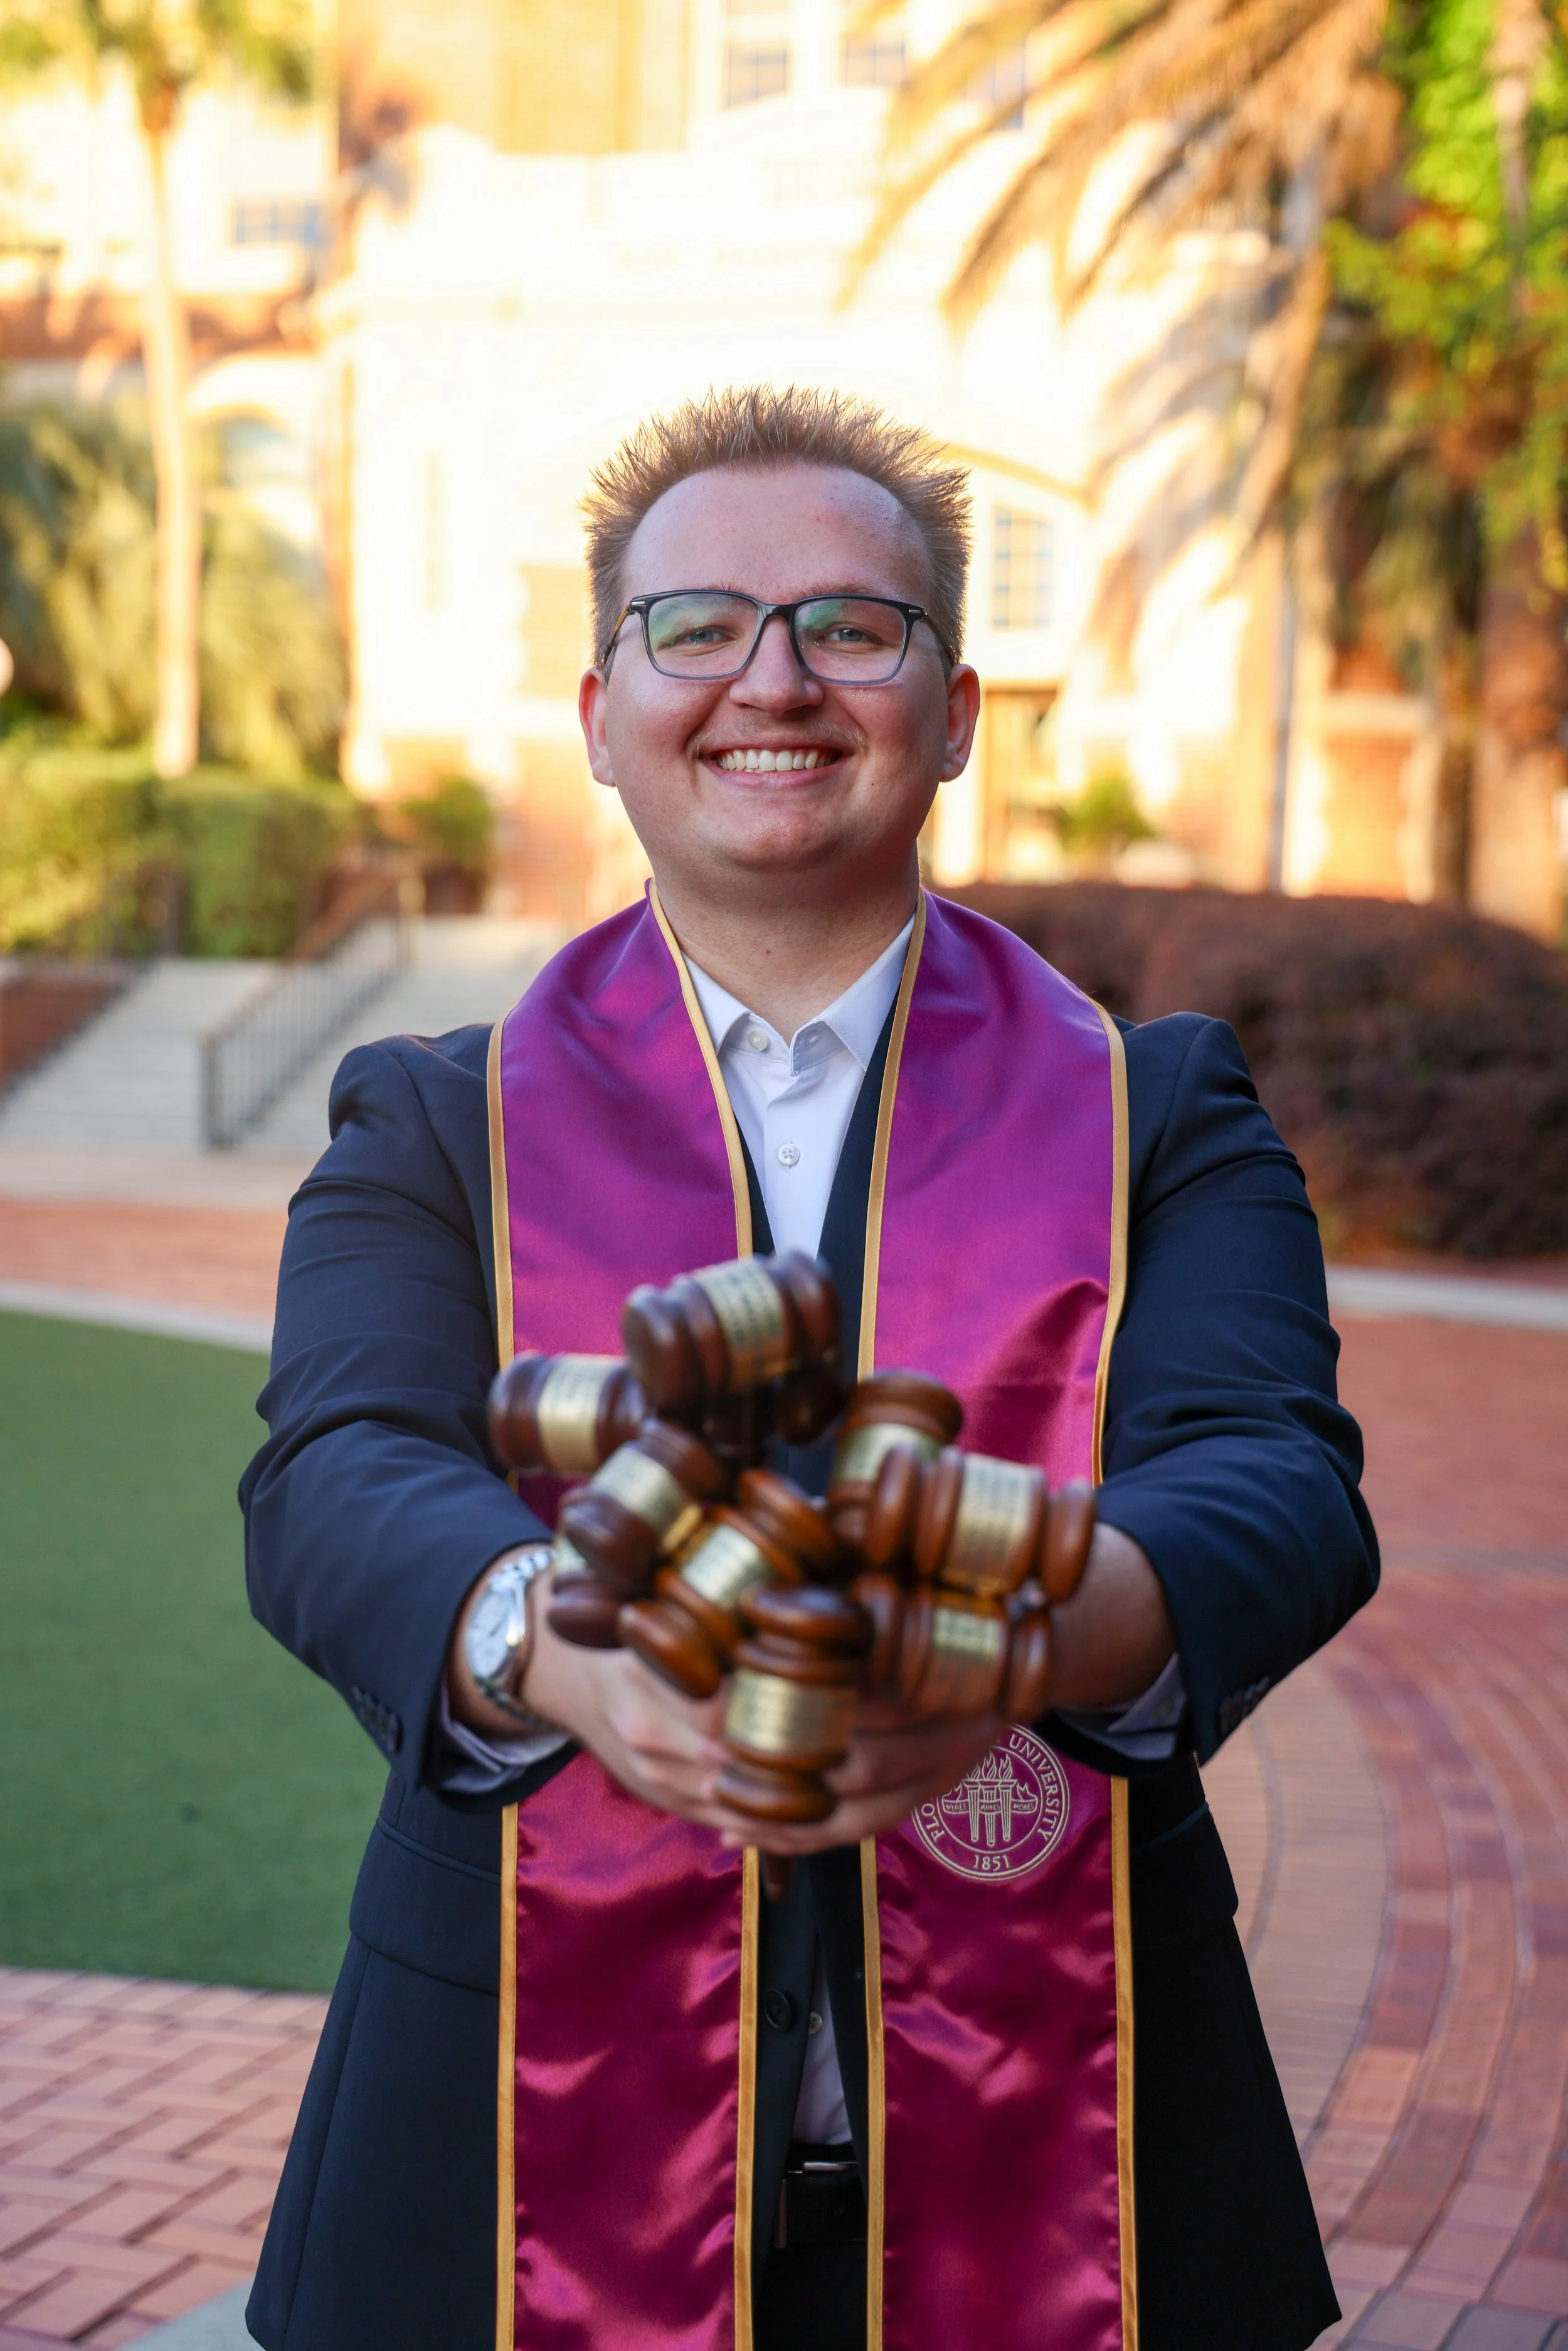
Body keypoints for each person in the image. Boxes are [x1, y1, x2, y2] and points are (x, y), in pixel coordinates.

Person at [240, 385, 1377, 2351]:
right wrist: (558, 1650)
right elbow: (336, 1471)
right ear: (600, 713)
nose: (772, 678)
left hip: (1090, 2126)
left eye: (851, 625)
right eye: (695, 625)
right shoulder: (434, 1120)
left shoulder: (1153, 1109)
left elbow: (1271, 1476)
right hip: (501, 2141)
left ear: (954, 710)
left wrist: (1015, 1640)